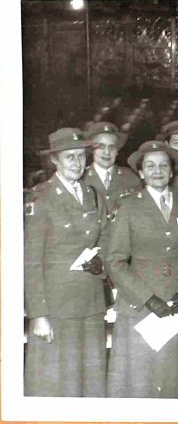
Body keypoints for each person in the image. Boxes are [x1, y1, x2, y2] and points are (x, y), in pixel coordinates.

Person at [105, 140, 178, 398]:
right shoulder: (129, 205)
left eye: (163, 165)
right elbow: (115, 261)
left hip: (175, 307)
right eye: (150, 166)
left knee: (172, 380)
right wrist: (147, 298)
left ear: (172, 170)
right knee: (139, 382)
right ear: (141, 172)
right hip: (140, 307)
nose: (157, 171)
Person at [24, 128, 107, 397]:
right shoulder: (40, 197)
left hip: (91, 301)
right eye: (69, 157)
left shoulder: (93, 194)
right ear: (55, 161)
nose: (77, 163)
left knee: (89, 381)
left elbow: (104, 239)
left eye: (81, 157)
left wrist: (101, 262)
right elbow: (31, 262)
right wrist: (38, 314)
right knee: (58, 382)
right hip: (57, 306)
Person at [83, 122, 141, 214]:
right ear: (92, 149)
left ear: (117, 151)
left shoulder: (131, 177)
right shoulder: (82, 178)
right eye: (101, 147)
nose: (107, 152)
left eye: (111, 147)